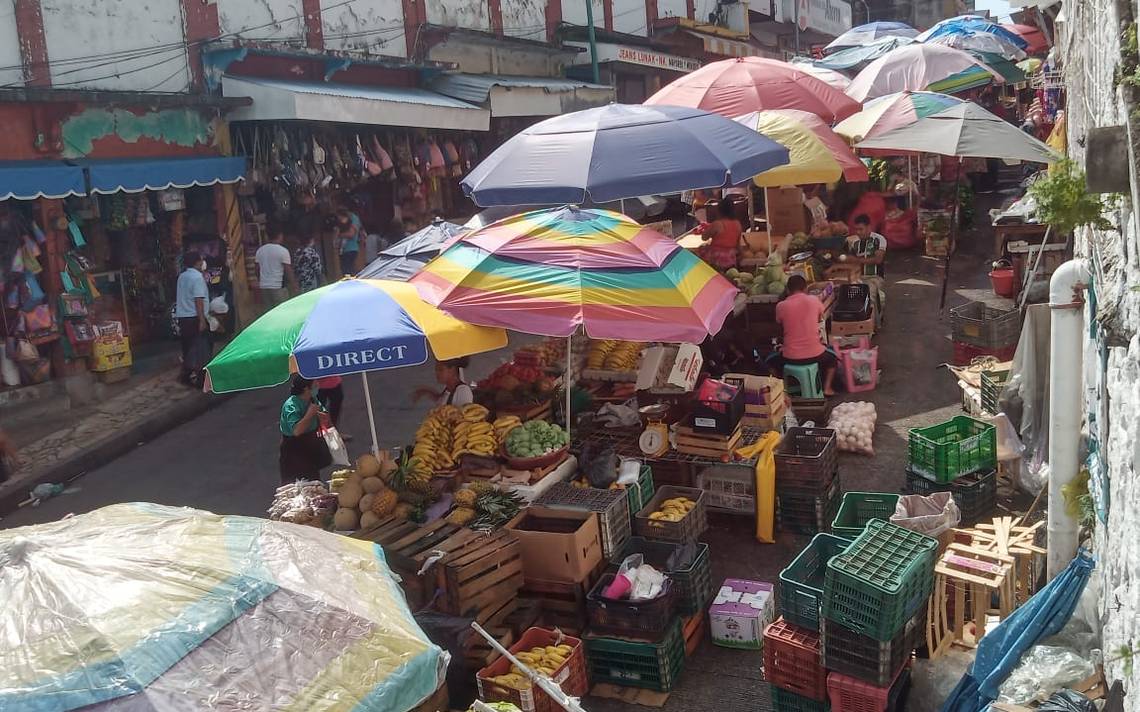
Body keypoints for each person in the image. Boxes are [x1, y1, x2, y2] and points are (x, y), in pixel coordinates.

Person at [771, 275, 838, 396]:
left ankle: (781, 391)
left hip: (790, 358)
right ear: (805, 288)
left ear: (787, 290)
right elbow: (820, 317)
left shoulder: (781, 306)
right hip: (817, 355)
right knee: (833, 358)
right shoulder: (814, 300)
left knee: (769, 361)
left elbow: (779, 326)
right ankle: (827, 388)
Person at [278, 375, 332, 484]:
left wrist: (324, 416)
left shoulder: (313, 399)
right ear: (306, 389)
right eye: (315, 385)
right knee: (296, 485)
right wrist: (310, 414)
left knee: (313, 481)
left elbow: (324, 415)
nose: (318, 386)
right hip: (294, 449)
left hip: (310, 445)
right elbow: (297, 431)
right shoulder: (291, 406)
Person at [174, 250, 209, 387]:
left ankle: (185, 376)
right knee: (201, 349)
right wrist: (201, 320)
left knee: (188, 349)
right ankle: (201, 380)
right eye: (201, 260)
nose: (202, 263)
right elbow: (198, 299)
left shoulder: (182, 276)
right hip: (194, 317)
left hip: (183, 317)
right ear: (197, 262)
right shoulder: (197, 278)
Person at [847, 214, 887, 325]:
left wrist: (856, 260)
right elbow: (851, 261)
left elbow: (878, 259)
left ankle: (871, 326)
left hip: (874, 277)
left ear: (869, 227)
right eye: (856, 229)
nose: (858, 232)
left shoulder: (879, 240)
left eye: (861, 229)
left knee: (869, 295)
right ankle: (857, 324)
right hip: (858, 277)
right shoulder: (854, 243)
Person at [256, 229, 296, 309]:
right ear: (280, 236)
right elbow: (288, 271)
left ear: (267, 237)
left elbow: (256, 269)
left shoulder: (260, 250)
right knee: (282, 311)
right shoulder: (283, 251)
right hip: (278, 287)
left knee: (268, 313)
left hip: (264, 287)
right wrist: (294, 285)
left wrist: (262, 280)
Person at [701, 198, 742, 269]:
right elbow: (738, 245)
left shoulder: (717, 224)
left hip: (716, 259)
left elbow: (704, 237)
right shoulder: (737, 224)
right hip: (731, 258)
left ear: (719, 210)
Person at [316, 375, 350, 441]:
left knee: (335, 408)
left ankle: (334, 433)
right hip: (316, 384)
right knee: (316, 410)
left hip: (334, 381)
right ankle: (319, 437)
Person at [336, 208, 362, 277]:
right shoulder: (346, 221)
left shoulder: (353, 219)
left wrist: (339, 235)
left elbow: (351, 234)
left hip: (350, 248)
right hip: (344, 249)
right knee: (346, 269)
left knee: (348, 270)